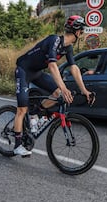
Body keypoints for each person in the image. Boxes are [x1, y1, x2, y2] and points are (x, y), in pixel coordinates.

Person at [13, 15, 94, 156]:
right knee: (21, 110)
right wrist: (63, 87)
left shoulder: (68, 48)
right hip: (24, 71)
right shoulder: (55, 40)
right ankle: (17, 145)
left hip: (36, 72)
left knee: (57, 93)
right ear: (77, 31)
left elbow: (74, 68)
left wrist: (84, 90)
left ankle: (35, 114)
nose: (82, 33)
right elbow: (52, 65)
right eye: (81, 30)